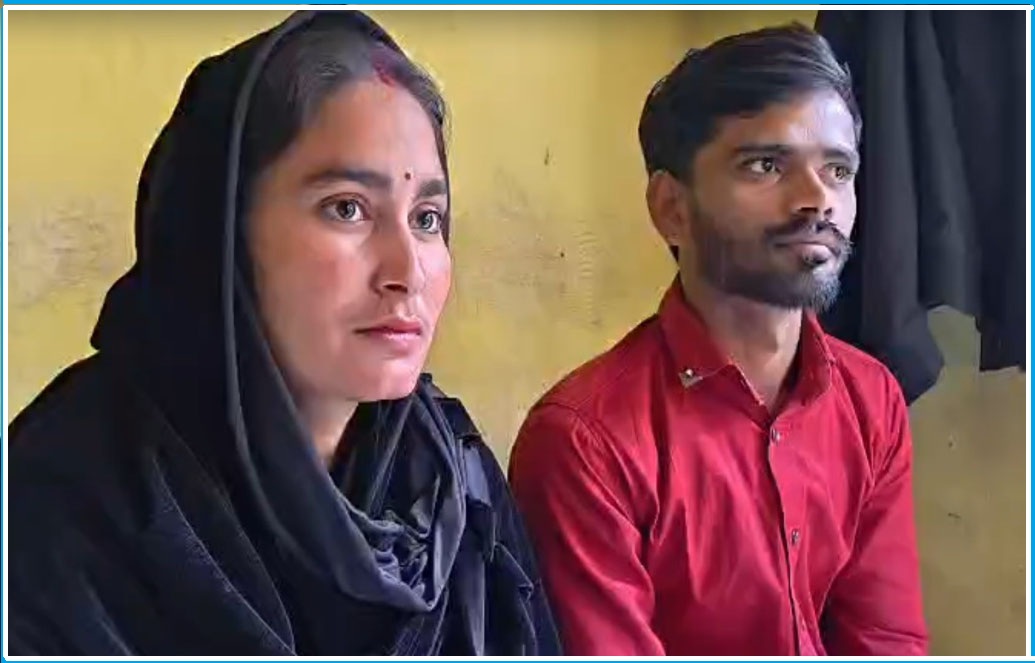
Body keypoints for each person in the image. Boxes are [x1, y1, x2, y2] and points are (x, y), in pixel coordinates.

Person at [9, 11, 559, 656]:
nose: (408, 271)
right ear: (221, 233)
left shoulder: (449, 480)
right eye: (347, 208)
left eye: (427, 218)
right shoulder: (63, 499)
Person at [509, 23, 928, 656]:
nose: (818, 199)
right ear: (671, 209)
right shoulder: (584, 442)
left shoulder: (872, 399)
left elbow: (885, 639)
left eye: (838, 170)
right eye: (766, 165)